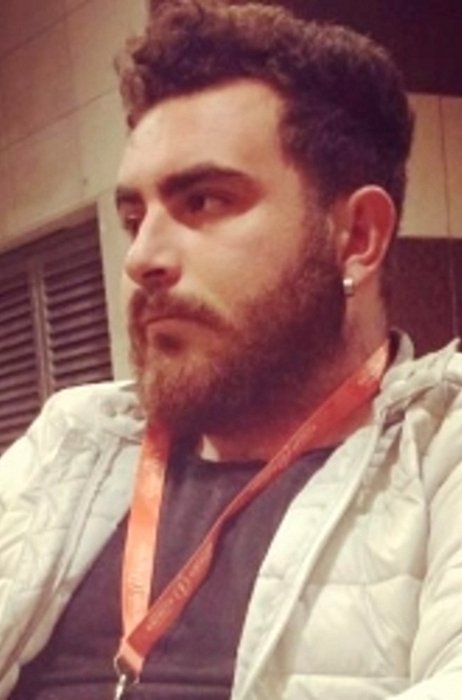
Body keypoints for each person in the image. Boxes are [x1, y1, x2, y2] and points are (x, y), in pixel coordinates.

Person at [1, 0, 461, 698]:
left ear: (358, 237)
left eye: (206, 202)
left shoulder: (439, 452)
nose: (142, 257)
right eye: (135, 217)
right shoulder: (74, 440)